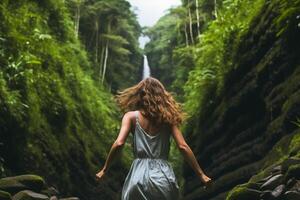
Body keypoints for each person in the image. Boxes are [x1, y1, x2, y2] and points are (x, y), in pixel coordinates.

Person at [96, 77, 212, 200]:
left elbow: (119, 143)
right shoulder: (168, 119)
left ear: (140, 94)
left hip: (138, 177)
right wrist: (202, 175)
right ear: (162, 96)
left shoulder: (130, 117)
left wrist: (104, 170)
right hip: (163, 178)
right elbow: (183, 146)